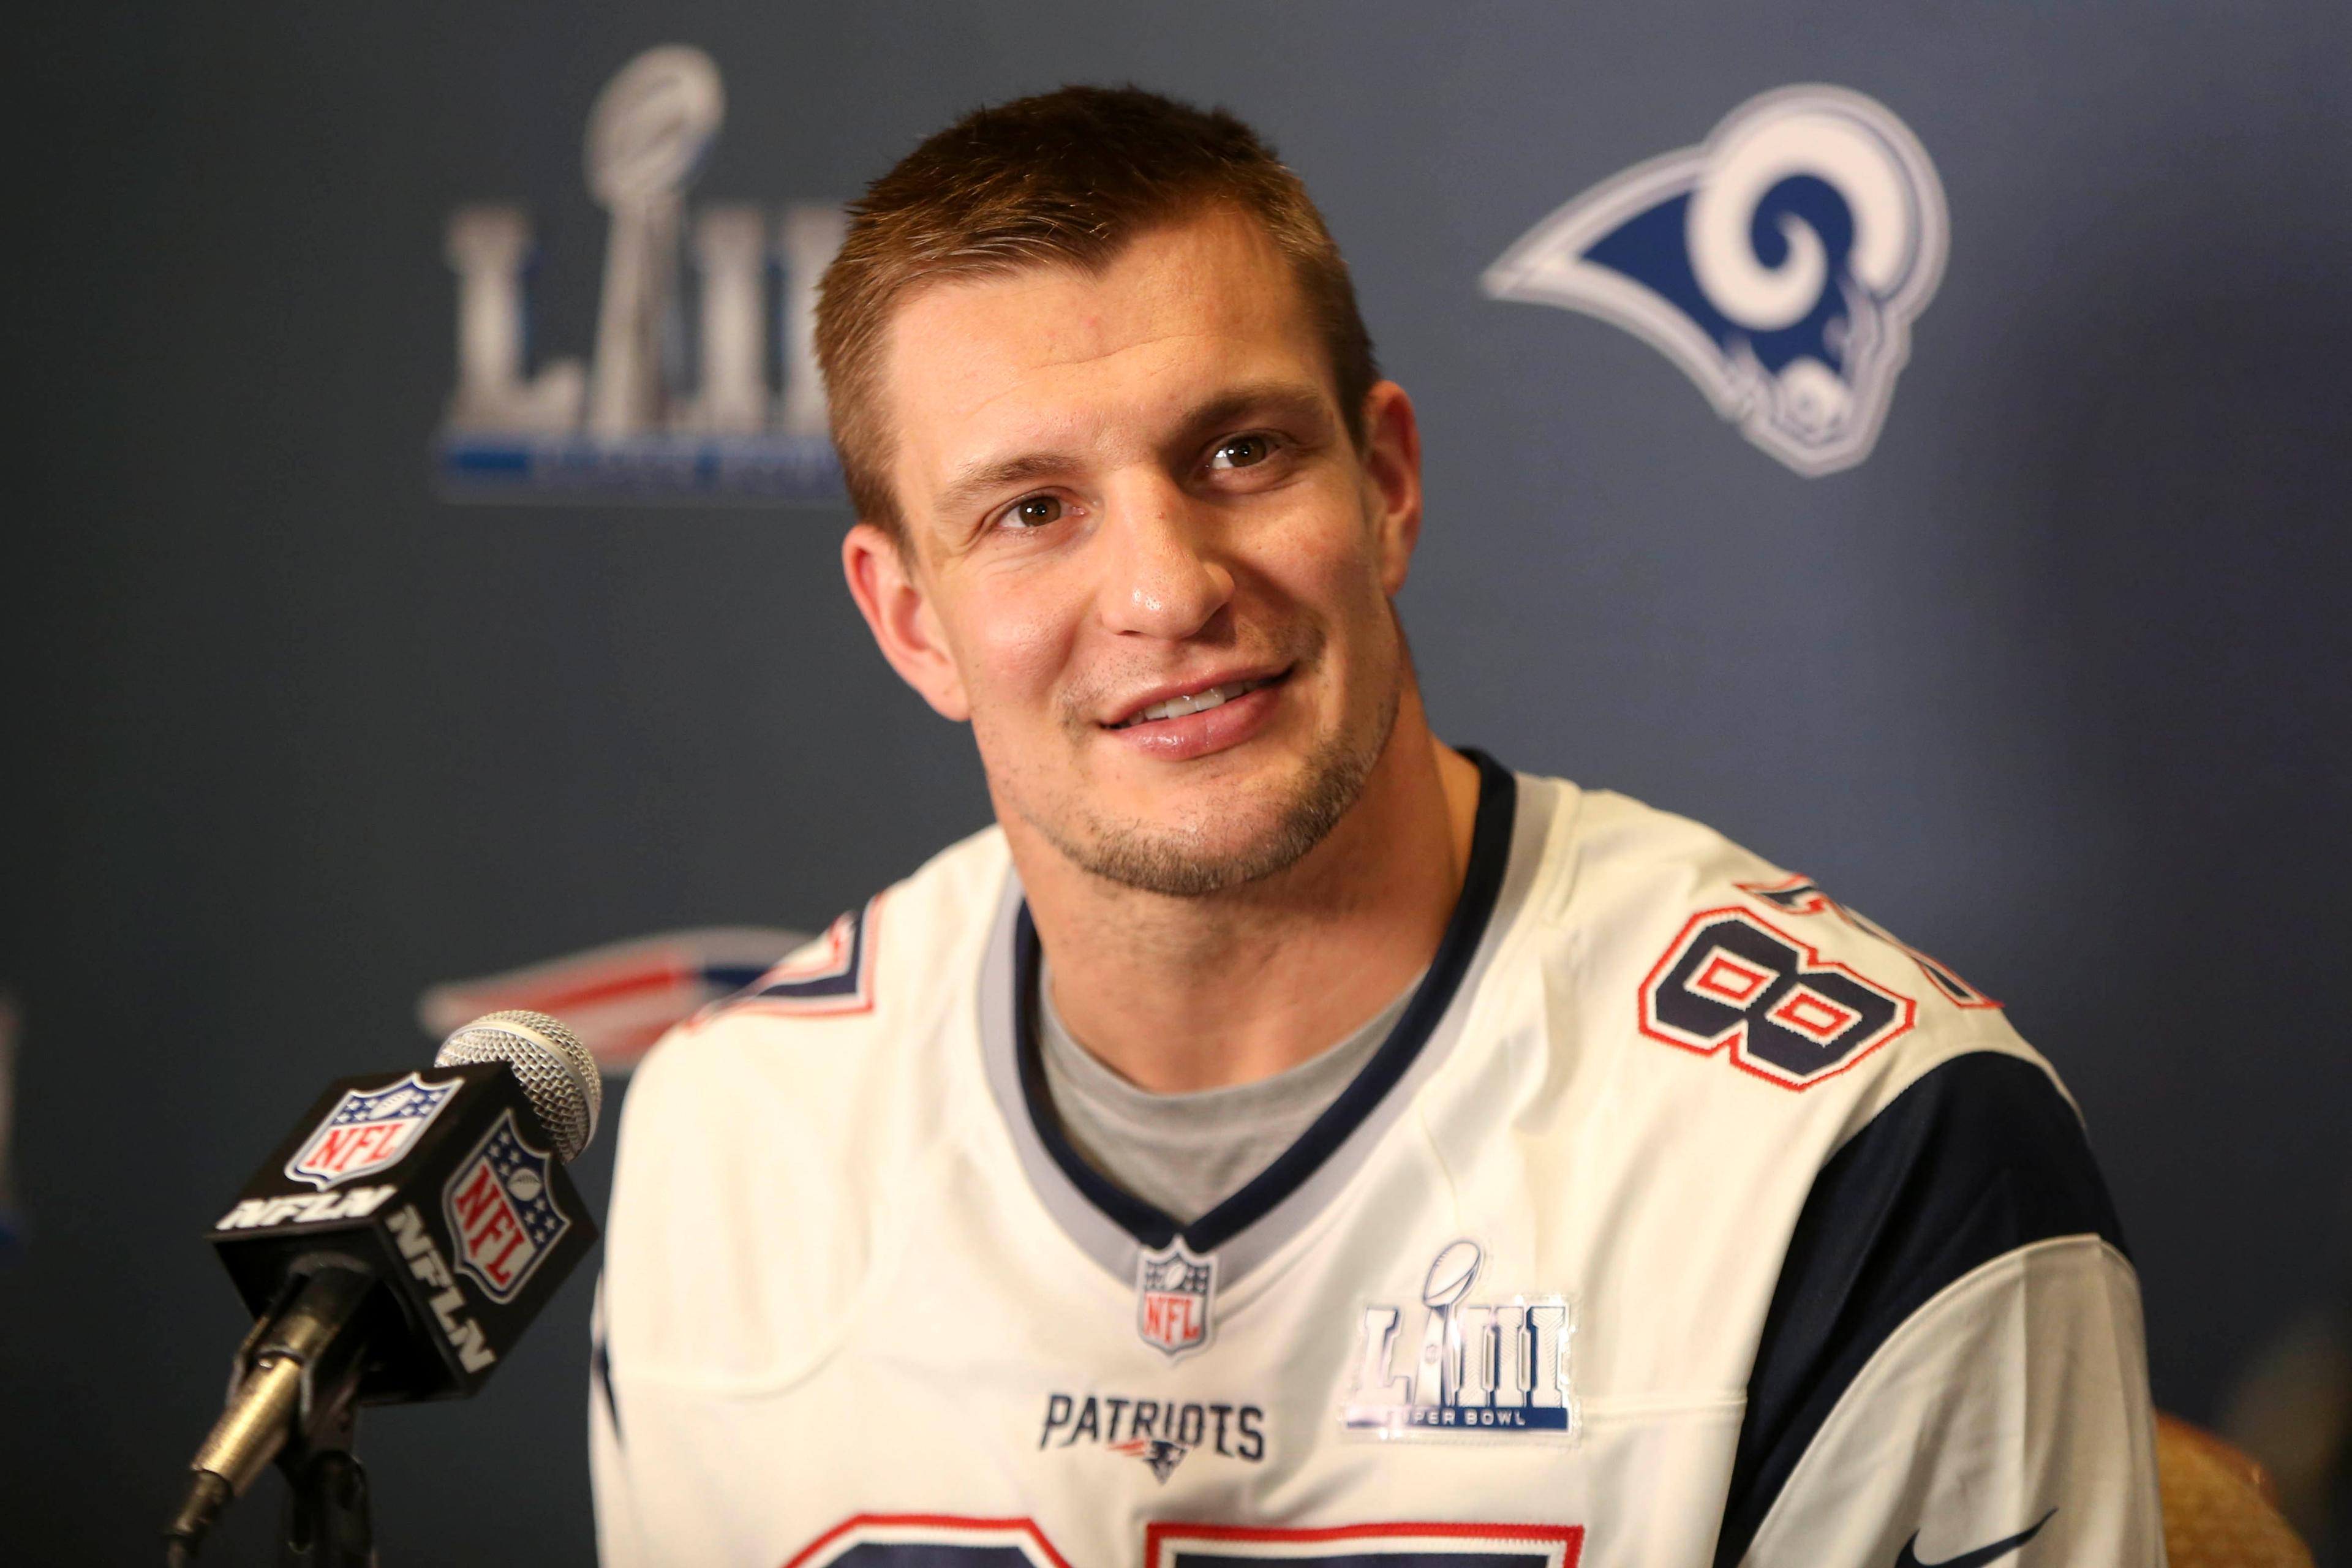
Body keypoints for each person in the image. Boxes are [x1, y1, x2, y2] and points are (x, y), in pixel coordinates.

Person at [591, 86, 2162, 1567]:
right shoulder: (733, 1140)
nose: (1167, 589)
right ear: (912, 620)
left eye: (1240, 451)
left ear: (1388, 481)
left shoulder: (1864, 1144)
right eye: (1031, 509)